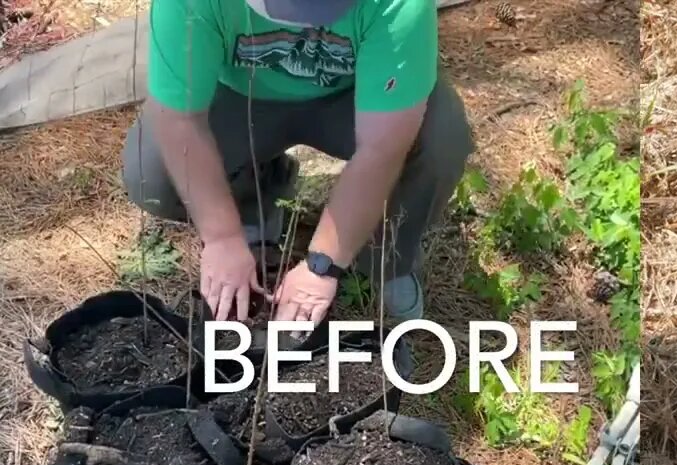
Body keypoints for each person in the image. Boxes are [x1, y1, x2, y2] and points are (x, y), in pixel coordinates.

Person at [123, 0, 474, 324]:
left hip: (351, 98)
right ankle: (251, 199)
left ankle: (385, 259)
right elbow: (179, 119)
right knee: (151, 170)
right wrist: (221, 237)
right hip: (239, 97)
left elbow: (381, 147)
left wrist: (323, 264)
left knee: (440, 138)